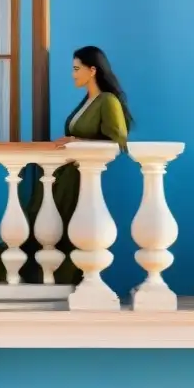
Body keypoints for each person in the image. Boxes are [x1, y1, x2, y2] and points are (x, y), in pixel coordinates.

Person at [24, 46, 133, 284]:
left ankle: (66, 278)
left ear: (92, 70)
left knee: (66, 224)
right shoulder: (88, 99)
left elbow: (118, 141)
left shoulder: (108, 101)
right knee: (41, 218)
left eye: (76, 69)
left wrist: (78, 141)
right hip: (63, 174)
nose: (73, 74)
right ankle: (40, 276)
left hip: (79, 176)